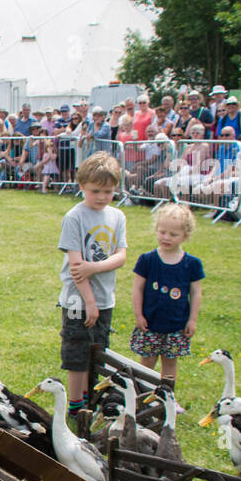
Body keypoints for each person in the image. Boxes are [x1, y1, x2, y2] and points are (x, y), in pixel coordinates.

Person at [58, 152, 128, 415]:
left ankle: (91, 398)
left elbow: (121, 256)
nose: (101, 197)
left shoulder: (117, 217)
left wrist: (94, 267)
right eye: (95, 190)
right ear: (82, 187)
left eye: (108, 191)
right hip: (78, 299)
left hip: (104, 297)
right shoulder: (74, 217)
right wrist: (89, 301)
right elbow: (77, 267)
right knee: (77, 350)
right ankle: (76, 405)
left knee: (98, 351)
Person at [129, 203, 204, 387]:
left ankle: (166, 396)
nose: (166, 237)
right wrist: (138, 315)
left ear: (185, 236)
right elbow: (137, 288)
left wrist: (192, 320)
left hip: (176, 325)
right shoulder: (147, 260)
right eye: (162, 232)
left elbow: (195, 293)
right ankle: (142, 393)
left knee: (170, 363)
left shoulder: (192, 264)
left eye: (173, 234)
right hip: (150, 323)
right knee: (147, 361)